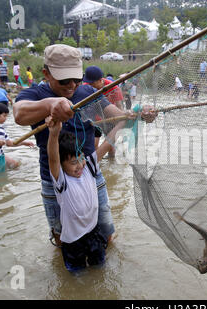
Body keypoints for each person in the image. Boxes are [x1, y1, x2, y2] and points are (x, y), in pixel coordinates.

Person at [13, 44, 157, 248]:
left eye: (77, 79)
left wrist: (141, 114)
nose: (72, 85)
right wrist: (50, 104)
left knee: (106, 229)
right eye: (64, 80)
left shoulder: (88, 92)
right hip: (55, 178)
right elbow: (19, 114)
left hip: (90, 172)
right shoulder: (35, 94)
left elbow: (117, 115)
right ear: (46, 73)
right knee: (61, 234)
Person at [46, 117, 107, 272]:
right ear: (62, 164)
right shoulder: (61, 180)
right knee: (77, 274)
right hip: (73, 241)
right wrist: (53, 134)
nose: (79, 166)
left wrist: (124, 123)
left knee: (100, 267)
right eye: (73, 163)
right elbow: (53, 158)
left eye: (81, 159)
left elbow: (108, 143)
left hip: (93, 232)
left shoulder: (89, 167)